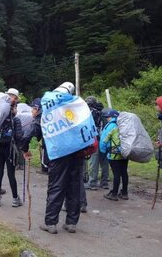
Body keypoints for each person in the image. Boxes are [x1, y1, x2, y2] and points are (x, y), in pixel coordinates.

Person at [39, 82, 87, 234]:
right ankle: (71, 223)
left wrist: (25, 144)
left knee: (56, 186)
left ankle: (51, 223)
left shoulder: (50, 104)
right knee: (74, 187)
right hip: (77, 151)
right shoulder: (77, 104)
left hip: (58, 152)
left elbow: (41, 125)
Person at [0, 88, 23, 207]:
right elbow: (19, 136)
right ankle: (15, 199)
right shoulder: (13, 116)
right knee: (11, 173)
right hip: (10, 146)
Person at [100, 108, 129, 201]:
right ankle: (124, 193)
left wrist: (103, 151)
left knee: (116, 173)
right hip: (125, 152)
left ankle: (114, 194)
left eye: (108, 117)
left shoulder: (110, 126)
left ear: (112, 117)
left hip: (114, 154)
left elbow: (104, 140)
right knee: (124, 172)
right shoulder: (124, 125)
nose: (107, 118)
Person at [85, 96, 108, 190]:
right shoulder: (103, 111)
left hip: (96, 139)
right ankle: (104, 182)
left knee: (94, 161)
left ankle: (92, 182)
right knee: (104, 161)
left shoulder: (91, 112)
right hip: (105, 139)